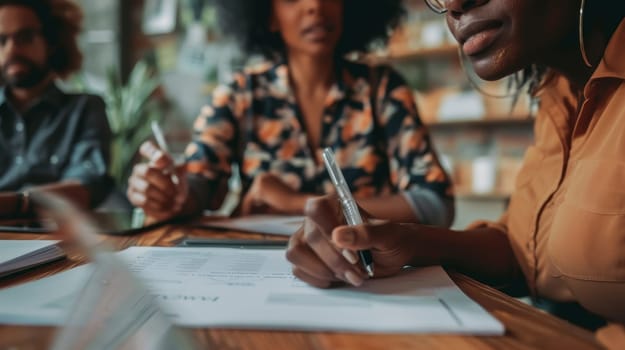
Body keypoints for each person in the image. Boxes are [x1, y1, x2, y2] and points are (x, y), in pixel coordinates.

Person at [286, 0, 625, 346]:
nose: (454, 4)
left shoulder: (381, 89)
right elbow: (524, 253)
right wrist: (406, 243)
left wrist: (286, 200)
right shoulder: (560, 92)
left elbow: (432, 198)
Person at [127, 0, 454, 227]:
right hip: (258, 270)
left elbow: (436, 206)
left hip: (366, 270)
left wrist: (296, 202)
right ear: (268, 14)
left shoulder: (382, 90)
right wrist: (169, 194)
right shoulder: (241, 93)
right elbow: (199, 185)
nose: (315, 6)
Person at [0, 0, 112, 217]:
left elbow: (86, 187)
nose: (12, 49)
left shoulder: (85, 108)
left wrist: (15, 203)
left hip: (61, 237)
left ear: (51, 42)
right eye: (1, 40)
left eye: (25, 37)